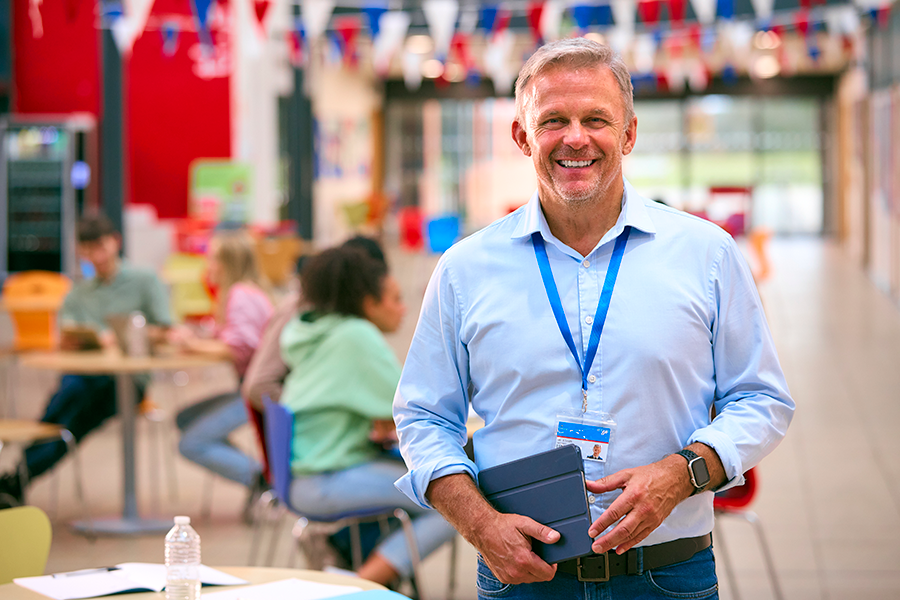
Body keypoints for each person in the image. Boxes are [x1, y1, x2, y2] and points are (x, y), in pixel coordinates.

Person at [393, 38, 795, 599]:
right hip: (523, 577)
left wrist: (684, 472)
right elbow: (423, 418)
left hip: (667, 574)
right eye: (553, 120)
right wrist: (480, 524)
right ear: (522, 136)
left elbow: (761, 398)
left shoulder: (706, 253)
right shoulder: (465, 269)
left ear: (628, 134)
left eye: (596, 119)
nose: (575, 138)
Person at [279, 245, 456, 586]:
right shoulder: (354, 336)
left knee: (440, 489)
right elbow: (413, 405)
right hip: (327, 477)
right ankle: (358, 587)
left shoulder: (314, 330)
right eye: (393, 298)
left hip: (307, 473)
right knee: (455, 502)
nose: (404, 308)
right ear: (367, 299)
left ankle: (355, 572)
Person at [0, 215, 172, 508]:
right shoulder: (78, 292)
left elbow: (166, 330)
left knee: (74, 419)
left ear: (115, 242)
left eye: (101, 247)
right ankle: (17, 478)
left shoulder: (145, 280)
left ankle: (18, 477)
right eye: (89, 250)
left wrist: (124, 335)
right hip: (83, 375)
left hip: (127, 380)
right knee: (65, 405)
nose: (97, 256)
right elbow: (64, 334)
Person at [170, 229, 273, 506]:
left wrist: (192, 345)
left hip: (258, 393)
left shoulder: (241, 294)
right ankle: (257, 475)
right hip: (251, 388)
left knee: (191, 443)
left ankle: (262, 482)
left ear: (230, 263)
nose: (208, 266)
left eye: (214, 259)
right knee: (185, 419)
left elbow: (239, 347)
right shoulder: (241, 293)